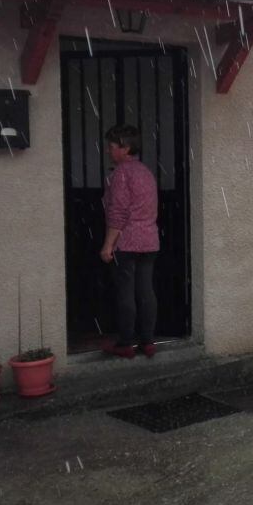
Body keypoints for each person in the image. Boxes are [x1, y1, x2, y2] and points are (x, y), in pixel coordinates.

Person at [100, 124, 160, 358]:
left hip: (127, 242)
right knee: (146, 290)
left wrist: (107, 244)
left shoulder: (121, 173)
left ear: (124, 148)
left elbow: (119, 213)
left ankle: (125, 343)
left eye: (111, 146)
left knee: (126, 291)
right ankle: (148, 341)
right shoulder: (146, 172)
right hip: (150, 240)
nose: (108, 151)